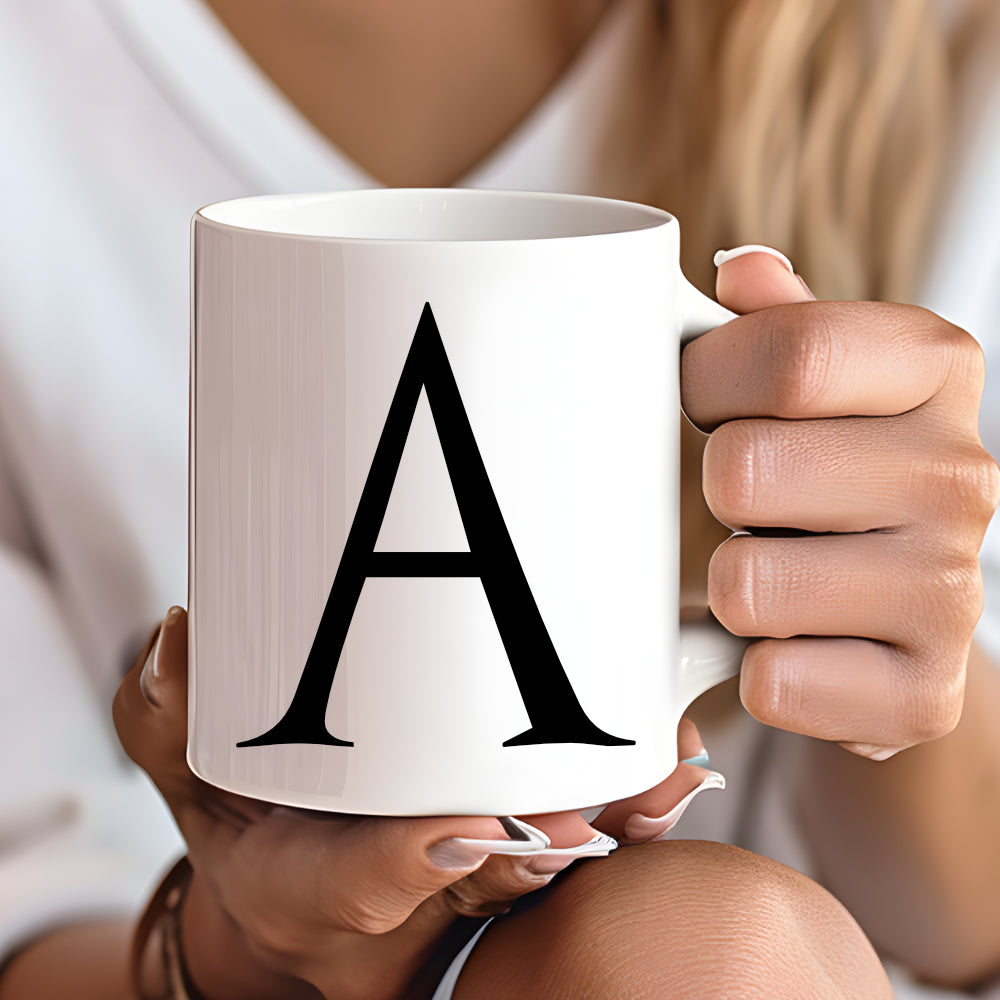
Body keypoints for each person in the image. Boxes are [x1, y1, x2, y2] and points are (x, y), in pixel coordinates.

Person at [0, 0, 999, 997]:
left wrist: (895, 646)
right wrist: (226, 965)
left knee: (701, 946)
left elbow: (968, 918)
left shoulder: (929, 45)